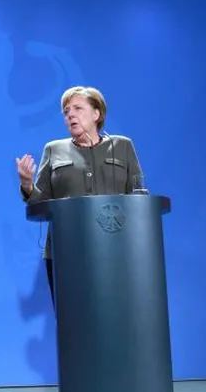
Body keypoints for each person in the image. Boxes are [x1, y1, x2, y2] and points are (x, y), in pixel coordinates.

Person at [15, 86, 143, 303]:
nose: (70, 115)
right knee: (72, 321)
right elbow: (40, 203)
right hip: (65, 252)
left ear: (97, 114)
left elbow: (138, 195)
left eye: (77, 109)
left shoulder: (122, 146)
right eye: (66, 112)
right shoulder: (53, 150)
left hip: (115, 250)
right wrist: (27, 184)